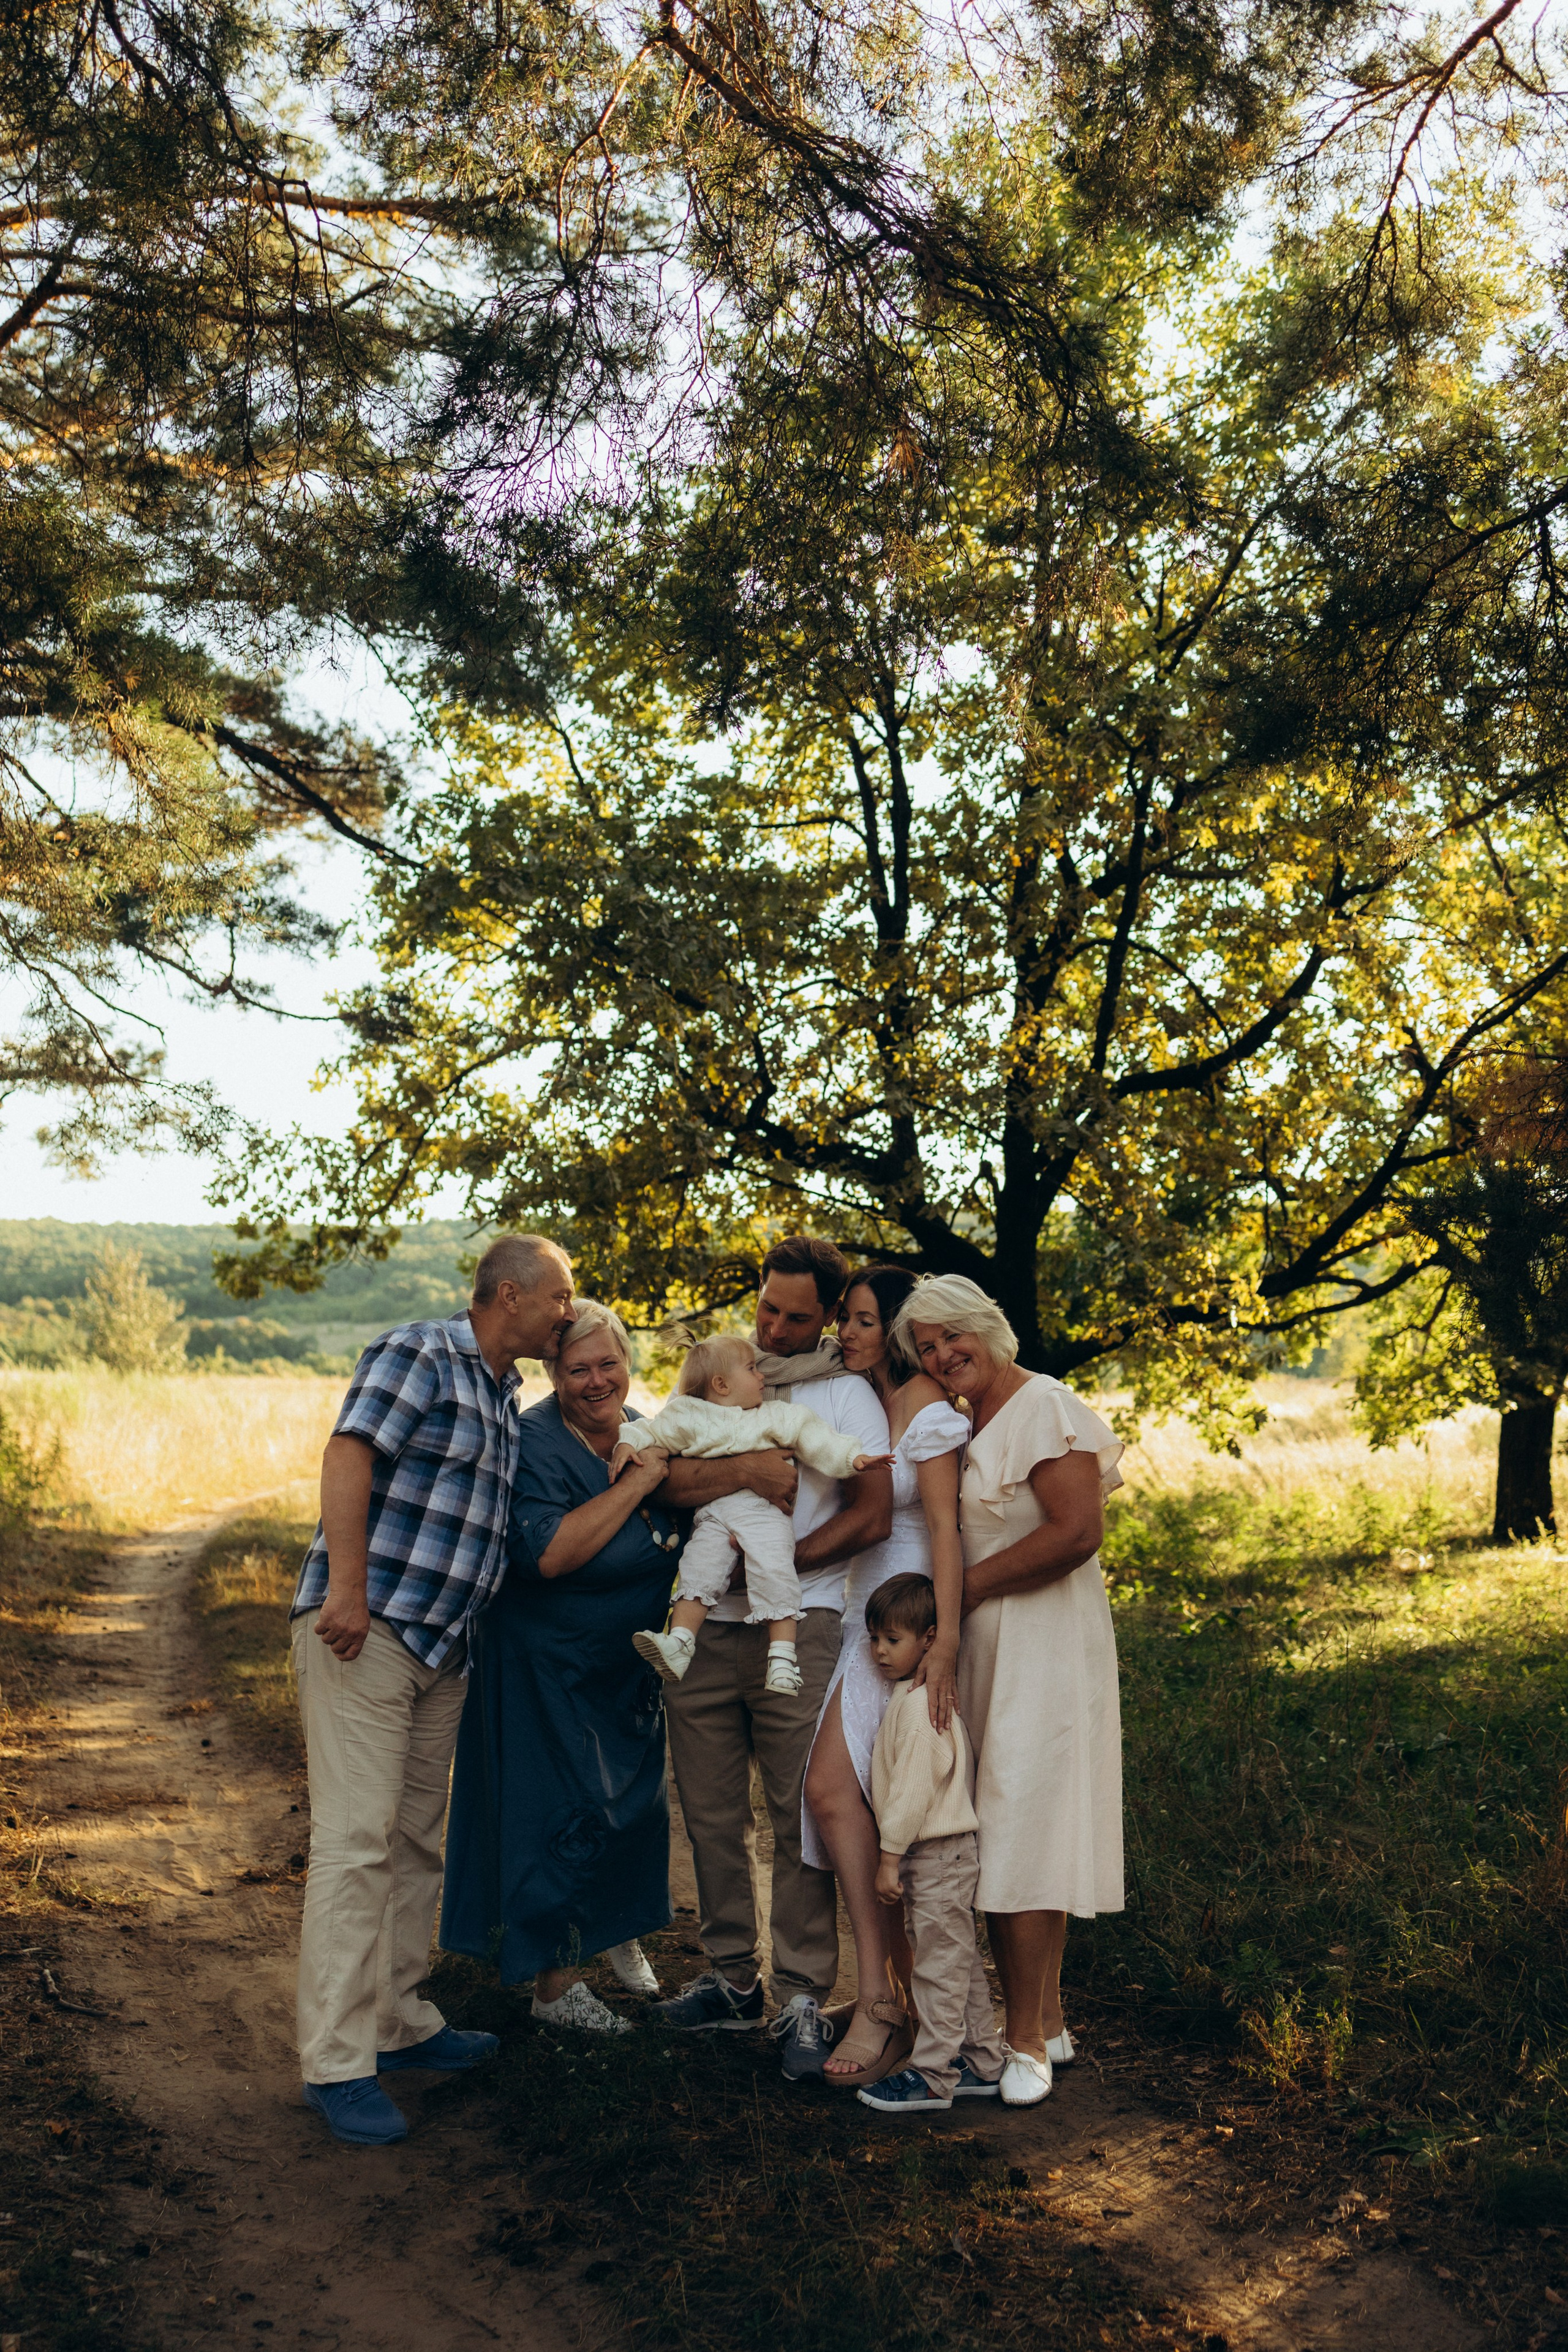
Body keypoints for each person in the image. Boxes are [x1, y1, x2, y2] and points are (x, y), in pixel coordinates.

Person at [290, 1234, 576, 2146]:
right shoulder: (423, 1352)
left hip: (440, 1654)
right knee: (356, 1842)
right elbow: (349, 1454)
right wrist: (346, 1588)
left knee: (414, 1842)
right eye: (560, 1297)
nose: (567, 1313)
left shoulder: (503, 1394)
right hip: (366, 1633)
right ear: (509, 1295)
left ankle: (398, 2021)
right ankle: (336, 2063)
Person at [653, 1235, 893, 2076]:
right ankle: (730, 1979)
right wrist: (751, 1469)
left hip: (803, 1622)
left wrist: (782, 1573)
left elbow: (872, 1514)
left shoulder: (844, 1395)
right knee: (713, 1811)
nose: (777, 1329)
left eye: (797, 1317)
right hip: (706, 1625)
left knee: (796, 1816)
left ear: (828, 1315)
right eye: (767, 1309)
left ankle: (800, 1992)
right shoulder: (722, 1374)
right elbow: (665, 1478)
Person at [896, 1273, 1125, 2109]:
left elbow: (1077, 1532)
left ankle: (1023, 2042)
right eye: (924, 1346)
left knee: (1027, 1824)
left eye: (953, 1335)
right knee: (995, 1824)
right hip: (990, 1649)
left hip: (1045, 1644)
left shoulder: (1045, 1404)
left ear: (990, 1329)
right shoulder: (966, 1422)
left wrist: (957, 1595)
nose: (941, 1353)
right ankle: (1050, 2019)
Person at [440, 1302, 682, 2031]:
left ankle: (611, 1933)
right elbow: (547, 1553)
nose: (597, 1380)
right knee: (561, 1815)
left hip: (625, 1661)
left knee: (631, 1808)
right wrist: (636, 1486)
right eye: (578, 1369)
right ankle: (555, 1987)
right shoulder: (535, 1440)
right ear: (553, 1374)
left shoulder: (649, 1428)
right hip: (547, 1661)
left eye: (609, 1363)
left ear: (628, 1363)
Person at [802, 1264, 970, 2087]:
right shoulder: (864, 1402)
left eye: (865, 1320)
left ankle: (888, 2003)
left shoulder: (928, 1412)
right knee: (850, 1802)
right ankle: (888, 1995)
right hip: (862, 1619)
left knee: (845, 1796)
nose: (849, 1332)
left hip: (907, 1622)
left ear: (899, 1329)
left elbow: (944, 1530)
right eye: (846, 1319)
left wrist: (940, 1642)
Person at [622, 1333, 891, 1696]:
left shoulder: (777, 1415)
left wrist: (852, 1459)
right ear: (721, 1384)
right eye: (752, 1369)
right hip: (715, 1514)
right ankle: (681, 1642)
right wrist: (627, 1443)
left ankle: (782, 1658)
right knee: (699, 1568)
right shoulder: (688, 1415)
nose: (762, 1375)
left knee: (775, 1570)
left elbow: (817, 1438)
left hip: (765, 1514)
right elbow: (651, 1431)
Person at [854, 1572, 1006, 2115]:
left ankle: (933, 2074)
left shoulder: (920, 1708)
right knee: (954, 1962)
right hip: (943, 1855)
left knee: (938, 1968)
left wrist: (889, 1857)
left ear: (930, 1638)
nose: (879, 1651)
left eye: (892, 1640)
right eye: (875, 1639)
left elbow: (913, 1791)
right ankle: (984, 2062)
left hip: (935, 1853)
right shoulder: (912, 1697)